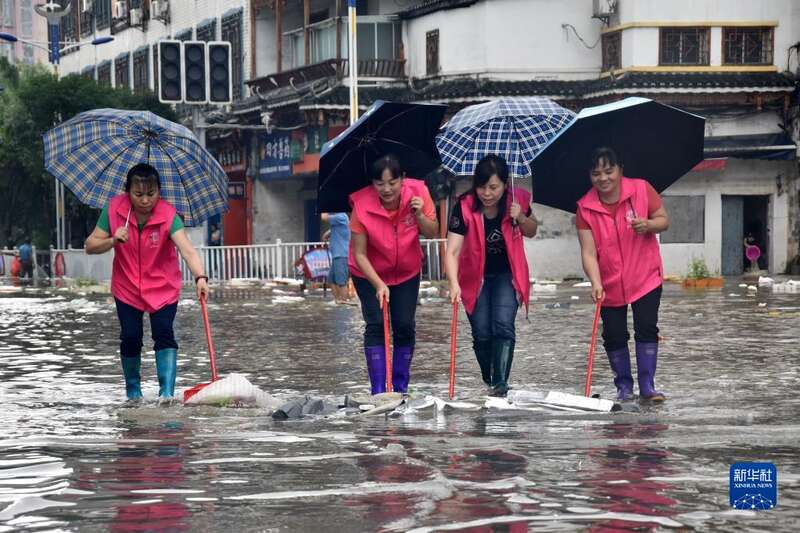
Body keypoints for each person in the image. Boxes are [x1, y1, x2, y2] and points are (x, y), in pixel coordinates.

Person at [85, 163, 209, 403]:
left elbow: (187, 250)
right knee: (130, 337)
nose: (145, 200)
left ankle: (167, 395)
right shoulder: (114, 209)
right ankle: (133, 394)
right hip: (126, 286)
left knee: (164, 333)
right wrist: (113, 240)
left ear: (159, 192)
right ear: (127, 192)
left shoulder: (169, 215)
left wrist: (200, 277)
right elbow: (90, 246)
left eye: (151, 194)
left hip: (163, 287)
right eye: (138, 194)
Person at [576, 147, 669, 402]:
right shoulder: (584, 208)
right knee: (613, 335)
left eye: (609, 171)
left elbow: (663, 219)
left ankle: (648, 387)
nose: (603, 178)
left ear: (620, 169)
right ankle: (624, 388)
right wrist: (595, 282)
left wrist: (649, 225)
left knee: (646, 328)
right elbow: (588, 252)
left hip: (645, 276)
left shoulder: (641, 189)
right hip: (608, 283)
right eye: (596, 173)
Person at [445, 155, 537, 397]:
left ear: (505, 184)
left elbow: (532, 231)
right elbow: (452, 250)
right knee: (482, 332)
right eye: (482, 186)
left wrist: (521, 217)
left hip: (507, 274)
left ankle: (500, 383)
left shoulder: (518, 200)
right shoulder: (464, 206)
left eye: (493, 187)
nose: (487, 193)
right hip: (474, 277)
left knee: (503, 325)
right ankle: (490, 377)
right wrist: (453, 283)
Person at [349, 154, 439, 395]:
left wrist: (419, 215)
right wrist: (378, 284)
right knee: (376, 324)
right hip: (368, 273)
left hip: (406, 271)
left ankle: (400, 388)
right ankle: (378, 390)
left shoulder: (419, 192)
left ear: (403, 179)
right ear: (372, 183)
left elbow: (432, 232)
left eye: (392, 182)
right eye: (380, 184)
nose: (387, 189)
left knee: (404, 326)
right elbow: (359, 254)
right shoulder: (361, 205)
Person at [321, 212, 352, 303]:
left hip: (341, 254)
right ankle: (338, 300)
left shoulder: (341, 216)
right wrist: (328, 234)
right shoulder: (339, 220)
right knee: (331, 281)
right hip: (337, 255)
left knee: (341, 282)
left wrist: (322, 206)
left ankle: (344, 301)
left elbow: (324, 217)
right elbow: (334, 229)